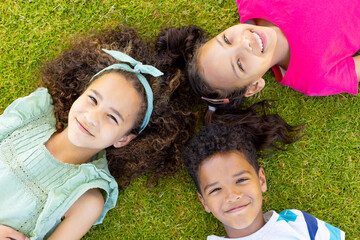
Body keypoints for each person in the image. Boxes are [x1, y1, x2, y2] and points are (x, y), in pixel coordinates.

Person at [0, 27, 199, 240]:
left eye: (112, 117)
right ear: (81, 93)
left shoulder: (86, 198)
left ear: (123, 139)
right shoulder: (34, 113)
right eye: (93, 99)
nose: (92, 117)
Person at [160, 0, 360, 110]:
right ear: (254, 86)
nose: (244, 44)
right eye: (239, 64)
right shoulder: (313, 78)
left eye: (227, 40)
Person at [183, 113, 344, 239]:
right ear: (204, 202)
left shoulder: (297, 222)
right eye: (216, 189)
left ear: (261, 180)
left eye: (241, 180)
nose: (232, 196)